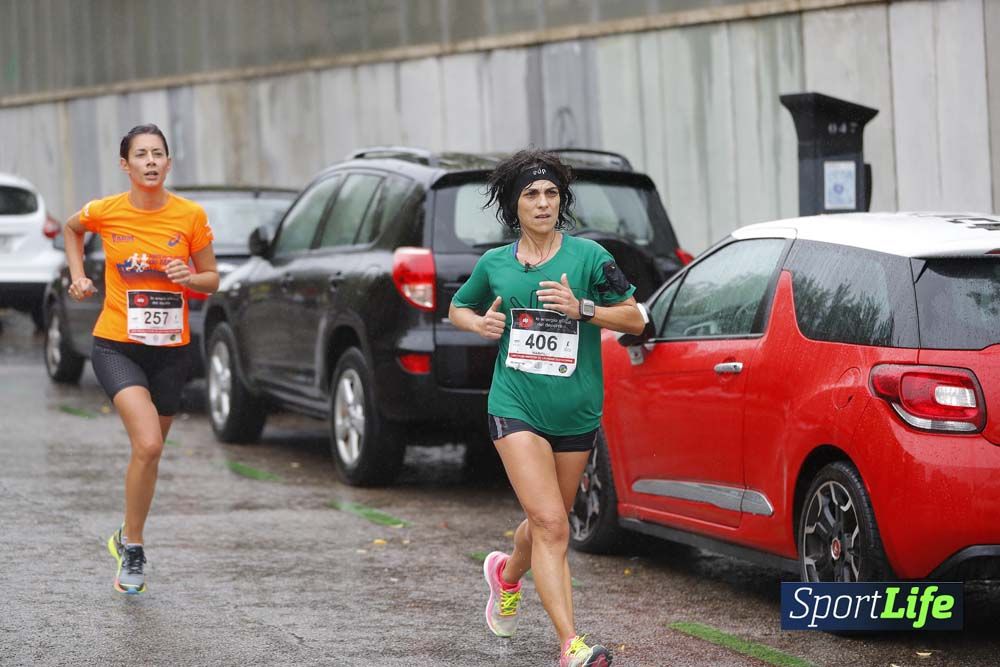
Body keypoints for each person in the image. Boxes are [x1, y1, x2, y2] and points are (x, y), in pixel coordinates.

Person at [449, 149, 645, 666]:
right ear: (515, 206)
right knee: (554, 527)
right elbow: (458, 307)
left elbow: (636, 319)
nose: (542, 203)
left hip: (576, 411)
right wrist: (479, 326)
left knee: (547, 520)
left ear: (562, 202)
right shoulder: (495, 264)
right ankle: (571, 645)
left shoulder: (589, 259)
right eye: (531, 195)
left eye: (551, 194)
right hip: (515, 406)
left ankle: (506, 575)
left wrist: (583, 308)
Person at [63, 124, 218, 594]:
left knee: (148, 455)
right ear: (125, 165)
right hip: (117, 345)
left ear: (168, 164)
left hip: (171, 352)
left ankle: (126, 533)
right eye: (141, 154)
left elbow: (213, 277)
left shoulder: (189, 216)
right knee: (149, 444)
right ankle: (134, 545)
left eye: (158, 154)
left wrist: (191, 278)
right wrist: (78, 275)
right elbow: (72, 230)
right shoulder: (106, 211)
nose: (150, 161)